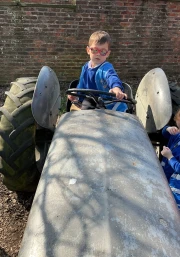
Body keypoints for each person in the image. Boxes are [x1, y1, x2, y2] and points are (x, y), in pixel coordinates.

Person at [68, 30, 127, 111]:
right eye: (95, 50)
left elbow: (112, 77)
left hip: (106, 103)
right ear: (88, 50)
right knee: (84, 110)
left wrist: (116, 88)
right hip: (89, 101)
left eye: (103, 51)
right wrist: (76, 94)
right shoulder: (85, 67)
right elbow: (81, 84)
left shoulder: (106, 68)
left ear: (108, 53)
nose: (98, 54)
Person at [161, 109, 180, 210]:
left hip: (176, 186)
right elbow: (164, 133)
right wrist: (168, 129)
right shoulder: (177, 134)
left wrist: (169, 157)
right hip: (165, 175)